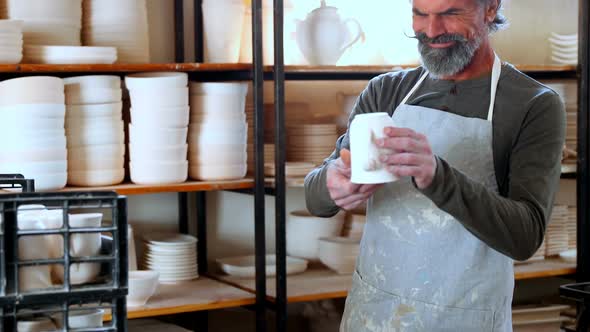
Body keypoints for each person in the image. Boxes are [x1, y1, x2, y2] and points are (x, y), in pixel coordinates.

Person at [304, 0, 566, 331]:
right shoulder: (386, 92)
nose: (431, 30)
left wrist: (437, 176)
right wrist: (333, 185)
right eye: (420, 14)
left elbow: (525, 237)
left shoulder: (533, 105)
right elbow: (315, 198)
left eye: (450, 13)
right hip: (375, 312)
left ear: (490, 8)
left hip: (465, 317)